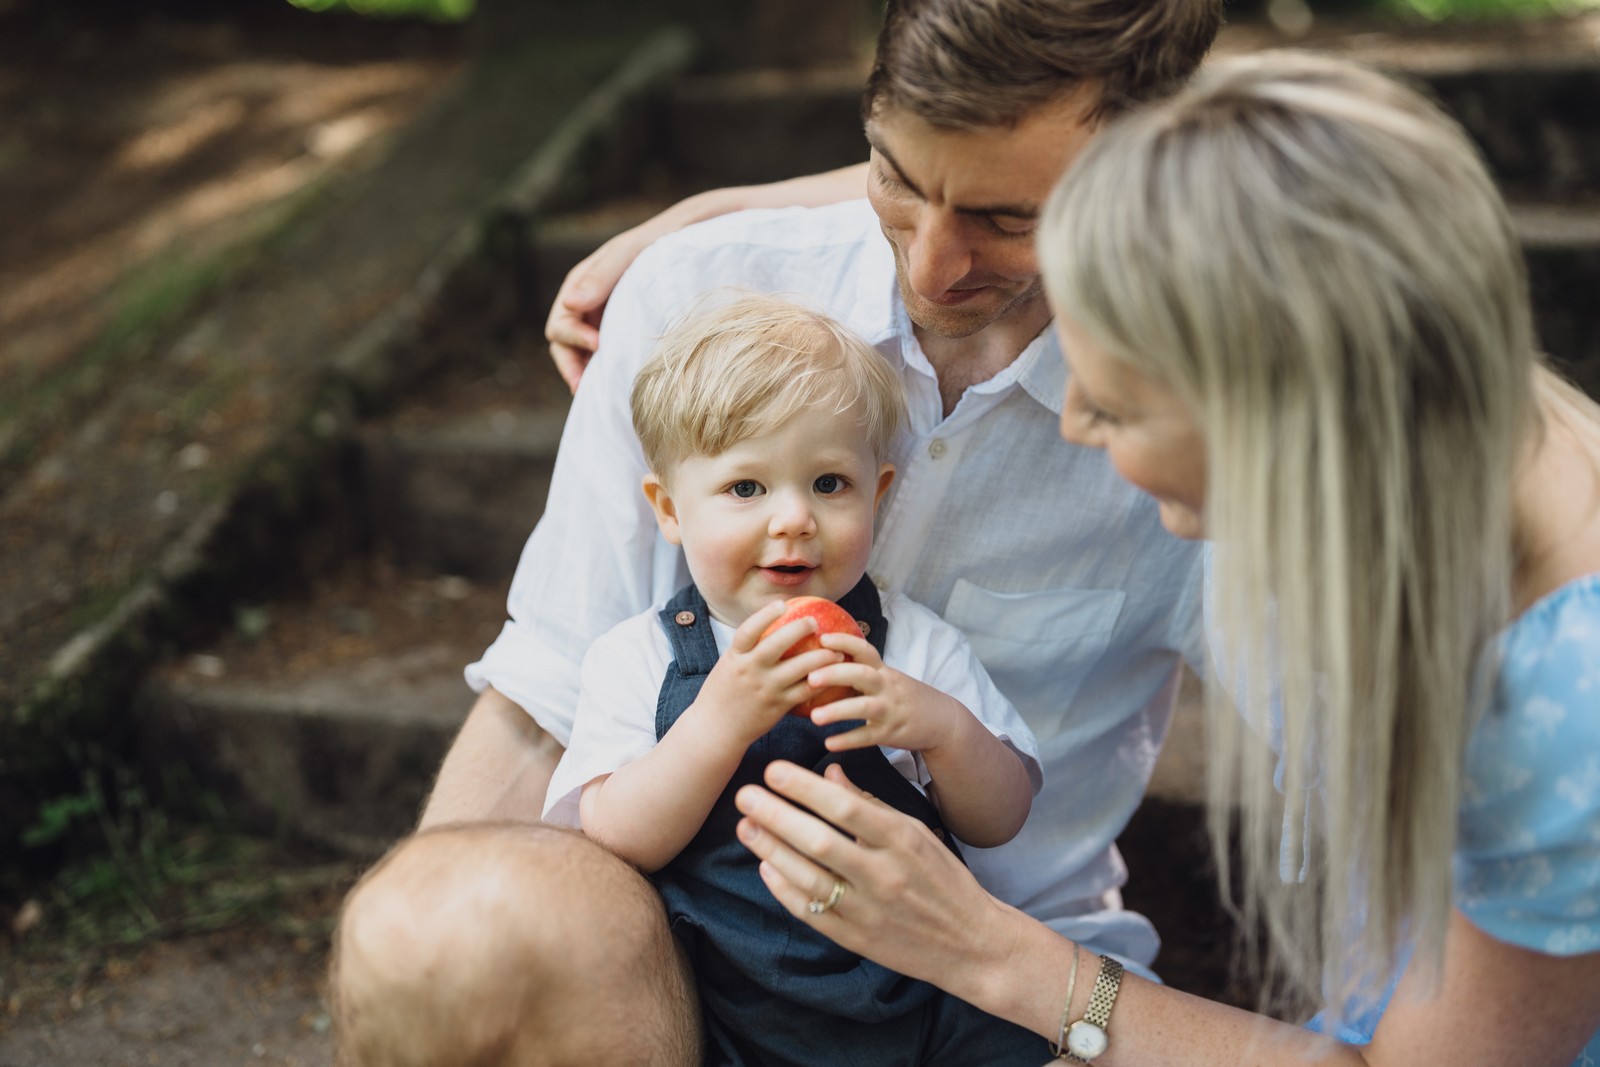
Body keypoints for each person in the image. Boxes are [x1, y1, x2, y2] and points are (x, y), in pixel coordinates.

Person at [331, 1, 1219, 1062]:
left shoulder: (1215, 412)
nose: (934, 267)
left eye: (1006, 216)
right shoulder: (702, 292)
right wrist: (429, 975)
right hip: (682, 947)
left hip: (1001, 969)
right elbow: (549, 687)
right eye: (894, 174)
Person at [726, 50, 1600, 1065]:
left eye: (1117, 401)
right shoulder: (1453, 393)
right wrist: (712, 216)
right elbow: (1273, 168)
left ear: (1278, 406)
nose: (1078, 426)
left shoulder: (1560, 709)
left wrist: (977, 945)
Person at [544, 291, 1048, 1064]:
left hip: (927, 990)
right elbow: (612, 836)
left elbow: (1001, 815)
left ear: (877, 493)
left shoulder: (911, 643)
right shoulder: (636, 657)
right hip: (732, 1009)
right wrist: (717, 720)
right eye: (746, 488)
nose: (793, 519)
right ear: (670, 509)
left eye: (828, 484)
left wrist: (941, 729)